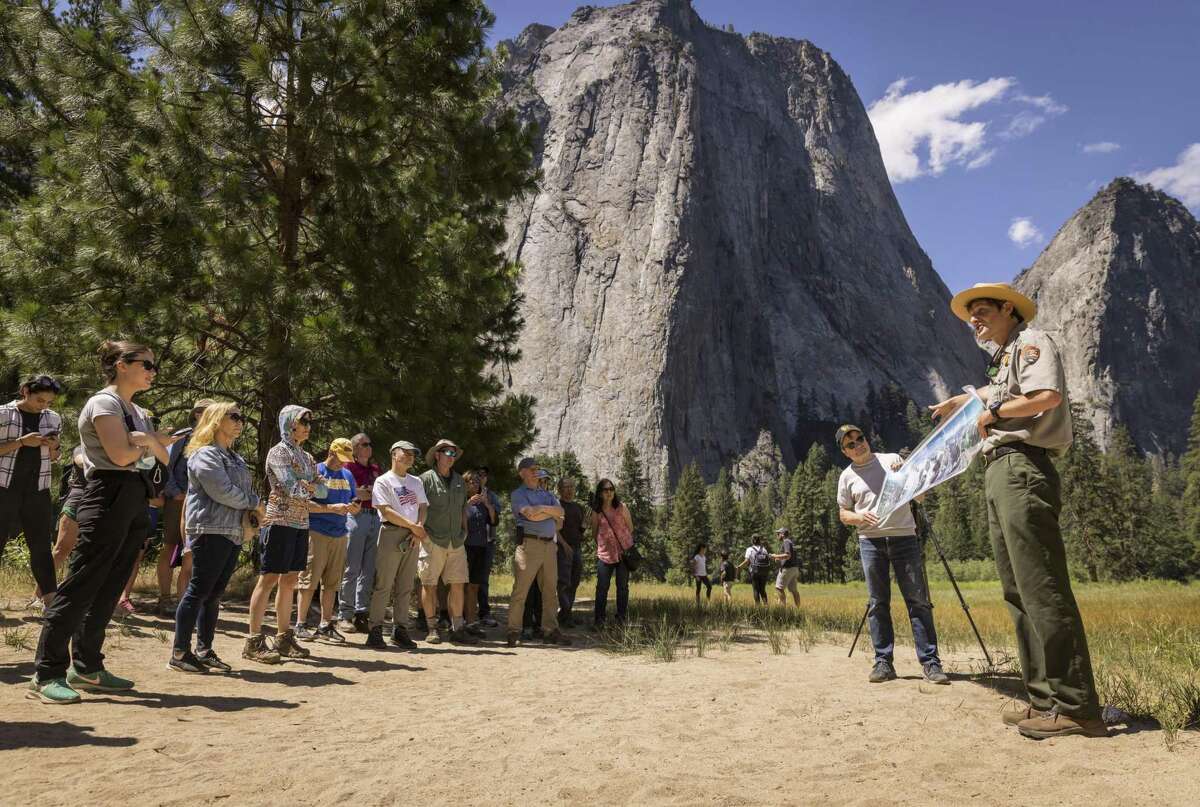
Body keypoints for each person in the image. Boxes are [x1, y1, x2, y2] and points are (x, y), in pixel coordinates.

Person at [930, 282, 1105, 738]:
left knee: (1041, 584)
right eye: (972, 315)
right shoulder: (1003, 357)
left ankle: (1077, 706)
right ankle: (1044, 699)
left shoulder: (1032, 341)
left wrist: (985, 414)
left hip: (1023, 467)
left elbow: (1046, 396)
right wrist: (967, 403)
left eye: (983, 311)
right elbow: (997, 394)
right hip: (1000, 470)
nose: (975, 320)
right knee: (1017, 591)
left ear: (1010, 309)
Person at [28, 340, 174, 704]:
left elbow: (164, 459)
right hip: (106, 496)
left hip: (134, 499)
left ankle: (88, 667)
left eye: (154, 365)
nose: (153, 372)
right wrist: (149, 444)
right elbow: (122, 454)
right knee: (80, 586)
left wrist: (149, 442)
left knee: (109, 589)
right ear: (122, 365)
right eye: (147, 364)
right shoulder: (103, 403)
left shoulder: (137, 411)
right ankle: (46, 672)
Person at [835, 424, 949, 686]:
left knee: (918, 601)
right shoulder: (846, 477)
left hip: (904, 537)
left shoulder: (892, 460)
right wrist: (859, 517)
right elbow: (843, 514)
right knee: (878, 603)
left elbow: (920, 496)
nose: (857, 444)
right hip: (870, 542)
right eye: (850, 444)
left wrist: (908, 474)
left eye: (859, 438)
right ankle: (883, 662)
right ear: (845, 452)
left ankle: (931, 663)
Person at [169, 402, 268, 672]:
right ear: (215, 420)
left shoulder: (234, 457)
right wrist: (255, 502)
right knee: (199, 591)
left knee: (214, 594)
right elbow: (221, 491)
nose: (240, 421)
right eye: (233, 416)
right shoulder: (204, 454)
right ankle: (179, 653)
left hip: (232, 531)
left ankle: (204, 649)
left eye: (242, 417)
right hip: (210, 530)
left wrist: (252, 507)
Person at [245, 405, 321, 664]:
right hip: (278, 522)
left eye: (309, 423)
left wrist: (308, 487)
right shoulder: (277, 452)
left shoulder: (307, 456)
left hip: (301, 523)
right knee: (268, 580)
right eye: (303, 422)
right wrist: (309, 487)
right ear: (290, 424)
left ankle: (283, 636)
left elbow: (321, 490)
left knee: (290, 580)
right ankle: (253, 640)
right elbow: (292, 487)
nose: (308, 427)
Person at [0, 375, 64, 608]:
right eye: (39, 400)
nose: (43, 406)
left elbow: (57, 457)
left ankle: (50, 601)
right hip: (4, 488)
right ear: (25, 391)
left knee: (40, 546)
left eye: (48, 402)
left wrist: (53, 447)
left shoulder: (53, 418)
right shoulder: (3, 413)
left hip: (38, 489)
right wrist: (21, 442)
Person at [295, 438, 359, 644]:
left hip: (339, 533)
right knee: (308, 580)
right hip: (316, 531)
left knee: (332, 583)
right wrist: (330, 509)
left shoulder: (348, 474)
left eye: (347, 459)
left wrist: (354, 507)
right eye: (341, 458)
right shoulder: (316, 471)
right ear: (331, 452)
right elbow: (303, 502)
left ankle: (325, 624)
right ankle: (301, 624)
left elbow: (352, 499)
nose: (343, 463)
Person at [364, 440, 426, 650]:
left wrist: (418, 528)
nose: (410, 456)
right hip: (391, 533)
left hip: (413, 536)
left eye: (413, 454)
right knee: (384, 585)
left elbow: (423, 506)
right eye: (405, 453)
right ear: (393, 454)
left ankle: (400, 630)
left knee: (406, 586)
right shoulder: (383, 481)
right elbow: (386, 510)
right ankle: (375, 630)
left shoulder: (416, 481)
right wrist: (413, 527)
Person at [416, 439, 478, 645]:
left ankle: (457, 628)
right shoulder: (424, 480)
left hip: (456, 541)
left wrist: (465, 530)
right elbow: (418, 507)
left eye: (454, 453)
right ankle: (432, 627)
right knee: (429, 584)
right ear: (437, 455)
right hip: (432, 539)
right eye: (447, 453)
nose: (451, 457)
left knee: (458, 584)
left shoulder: (460, 481)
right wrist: (421, 533)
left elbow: (462, 508)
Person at [507, 458, 571, 646]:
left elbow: (560, 512)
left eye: (537, 468)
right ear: (522, 473)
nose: (536, 471)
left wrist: (542, 509)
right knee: (521, 590)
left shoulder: (547, 495)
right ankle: (513, 630)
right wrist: (549, 514)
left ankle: (550, 630)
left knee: (551, 590)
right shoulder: (518, 494)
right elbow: (529, 514)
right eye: (532, 469)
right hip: (529, 546)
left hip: (550, 547)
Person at [159, 399, 213, 616]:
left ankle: (191, 599)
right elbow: (166, 466)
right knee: (171, 546)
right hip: (179, 500)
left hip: (203, 503)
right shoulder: (183, 436)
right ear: (197, 414)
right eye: (205, 412)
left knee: (195, 552)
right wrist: (175, 493)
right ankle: (164, 598)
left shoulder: (213, 439)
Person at [338, 433, 382, 634]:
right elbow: (351, 492)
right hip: (356, 517)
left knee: (369, 569)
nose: (369, 447)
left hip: (375, 516)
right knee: (352, 567)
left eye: (370, 444)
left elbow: (379, 493)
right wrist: (361, 492)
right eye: (364, 444)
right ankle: (345, 615)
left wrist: (366, 492)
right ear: (354, 448)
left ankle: (361, 613)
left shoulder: (375, 469)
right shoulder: (348, 467)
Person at [590, 477, 633, 629]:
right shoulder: (597, 512)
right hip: (605, 555)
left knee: (622, 587)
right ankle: (599, 620)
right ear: (600, 493)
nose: (609, 492)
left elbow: (630, 528)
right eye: (605, 490)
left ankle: (621, 619)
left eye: (611, 489)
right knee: (602, 588)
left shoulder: (622, 507)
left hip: (623, 554)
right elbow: (594, 532)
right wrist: (604, 545)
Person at [462, 469, 496, 631]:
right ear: (465, 484)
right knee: (461, 585)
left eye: (477, 482)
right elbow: (457, 519)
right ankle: (458, 619)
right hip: (464, 546)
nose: (474, 484)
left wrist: (488, 505)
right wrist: (467, 504)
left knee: (475, 585)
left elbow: (494, 521)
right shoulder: (461, 500)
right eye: (471, 482)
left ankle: (471, 619)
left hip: (481, 547)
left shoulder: (483, 502)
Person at [555, 476, 586, 627]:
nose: (569, 490)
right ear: (560, 489)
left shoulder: (578, 507)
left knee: (574, 582)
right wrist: (564, 545)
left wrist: (585, 526)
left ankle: (565, 614)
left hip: (577, 548)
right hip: (562, 548)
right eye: (566, 487)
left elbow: (581, 529)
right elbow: (554, 529)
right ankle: (566, 615)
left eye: (571, 487)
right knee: (563, 582)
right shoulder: (557, 505)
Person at [474, 466, 503, 627]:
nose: (480, 477)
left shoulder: (492, 496)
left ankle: (484, 613)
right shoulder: (467, 492)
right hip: (468, 541)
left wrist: (486, 503)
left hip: (487, 541)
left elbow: (496, 517)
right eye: (478, 474)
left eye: (484, 475)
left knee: (483, 579)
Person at [737, 536, 773, 606]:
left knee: (756, 589)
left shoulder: (750, 549)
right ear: (759, 541)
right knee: (762, 589)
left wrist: (739, 567)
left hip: (755, 571)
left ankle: (758, 607)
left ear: (752, 541)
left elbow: (747, 561)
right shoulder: (764, 549)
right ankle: (766, 605)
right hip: (764, 571)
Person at [772, 527, 801, 607]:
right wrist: (779, 559)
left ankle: (783, 609)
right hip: (794, 569)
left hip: (787, 569)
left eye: (778, 534)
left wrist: (775, 556)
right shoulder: (791, 542)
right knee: (794, 590)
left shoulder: (786, 542)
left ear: (782, 534)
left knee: (779, 588)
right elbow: (789, 557)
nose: (777, 535)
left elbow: (788, 555)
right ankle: (798, 609)